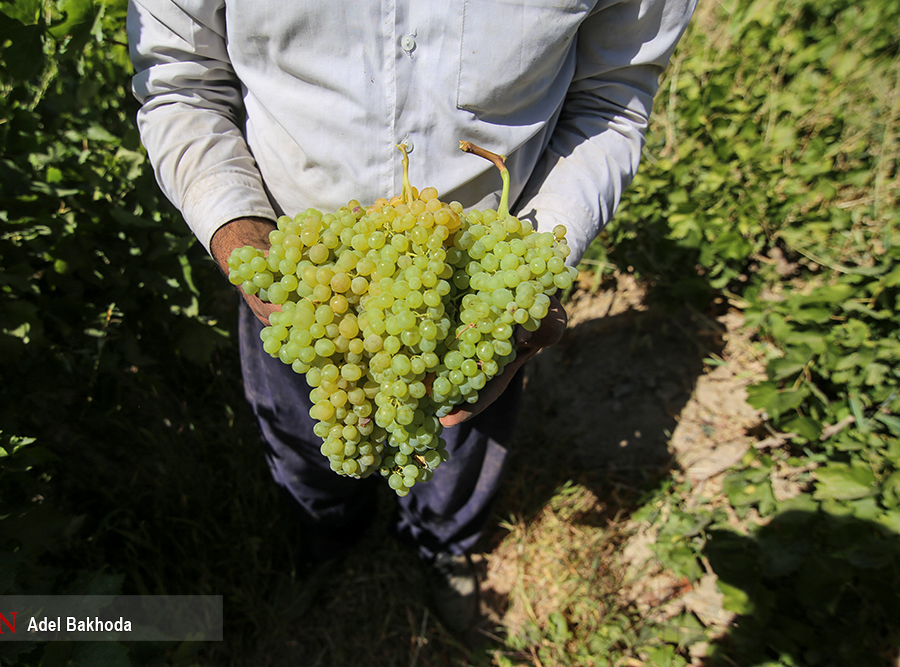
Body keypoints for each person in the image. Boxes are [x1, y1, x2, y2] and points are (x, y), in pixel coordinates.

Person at [127, 0, 696, 634]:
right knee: (304, 440)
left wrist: (531, 266)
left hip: (468, 297)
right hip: (306, 287)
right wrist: (240, 236)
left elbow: (611, 99)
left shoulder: (482, 312)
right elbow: (179, 84)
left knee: (461, 442)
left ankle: (444, 545)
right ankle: (328, 537)